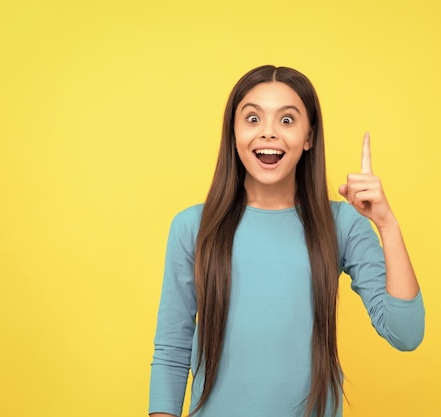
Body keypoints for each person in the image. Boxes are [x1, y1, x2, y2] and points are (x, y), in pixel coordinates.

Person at [149, 65, 425, 417]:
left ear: (309, 137)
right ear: (233, 133)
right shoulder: (193, 227)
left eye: (287, 120)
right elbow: (172, 350)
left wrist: (387, 224)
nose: (268, 133)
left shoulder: (341, 224)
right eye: (252, 119)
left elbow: (406, 333)